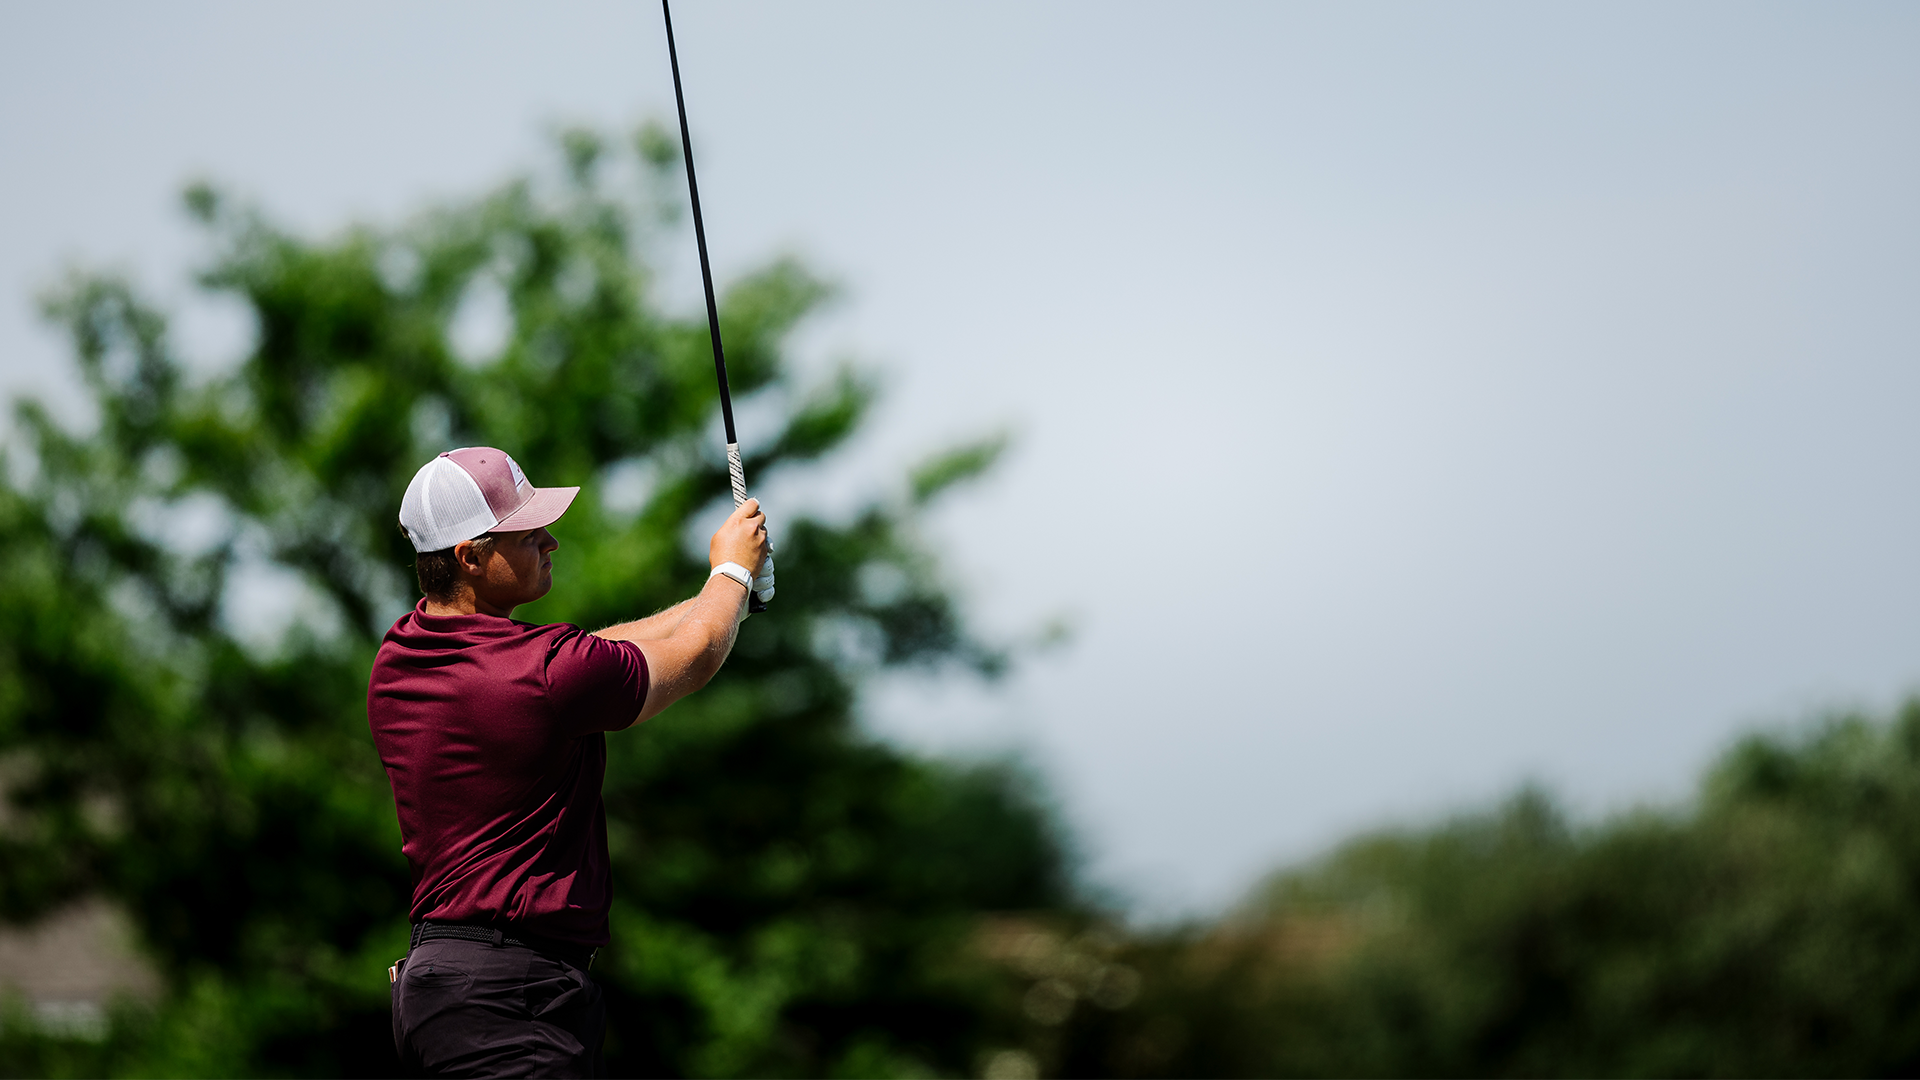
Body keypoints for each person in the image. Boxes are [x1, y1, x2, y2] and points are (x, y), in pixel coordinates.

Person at [368, 446, 772, 1077]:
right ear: (470, 556)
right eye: (529, 536)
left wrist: (723, 596)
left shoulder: (400, 656)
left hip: (438, 989)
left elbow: (595, 654)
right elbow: (691, 660)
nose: (551, 542)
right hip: (511, 996)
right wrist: (731, 575)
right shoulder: (546, 672)